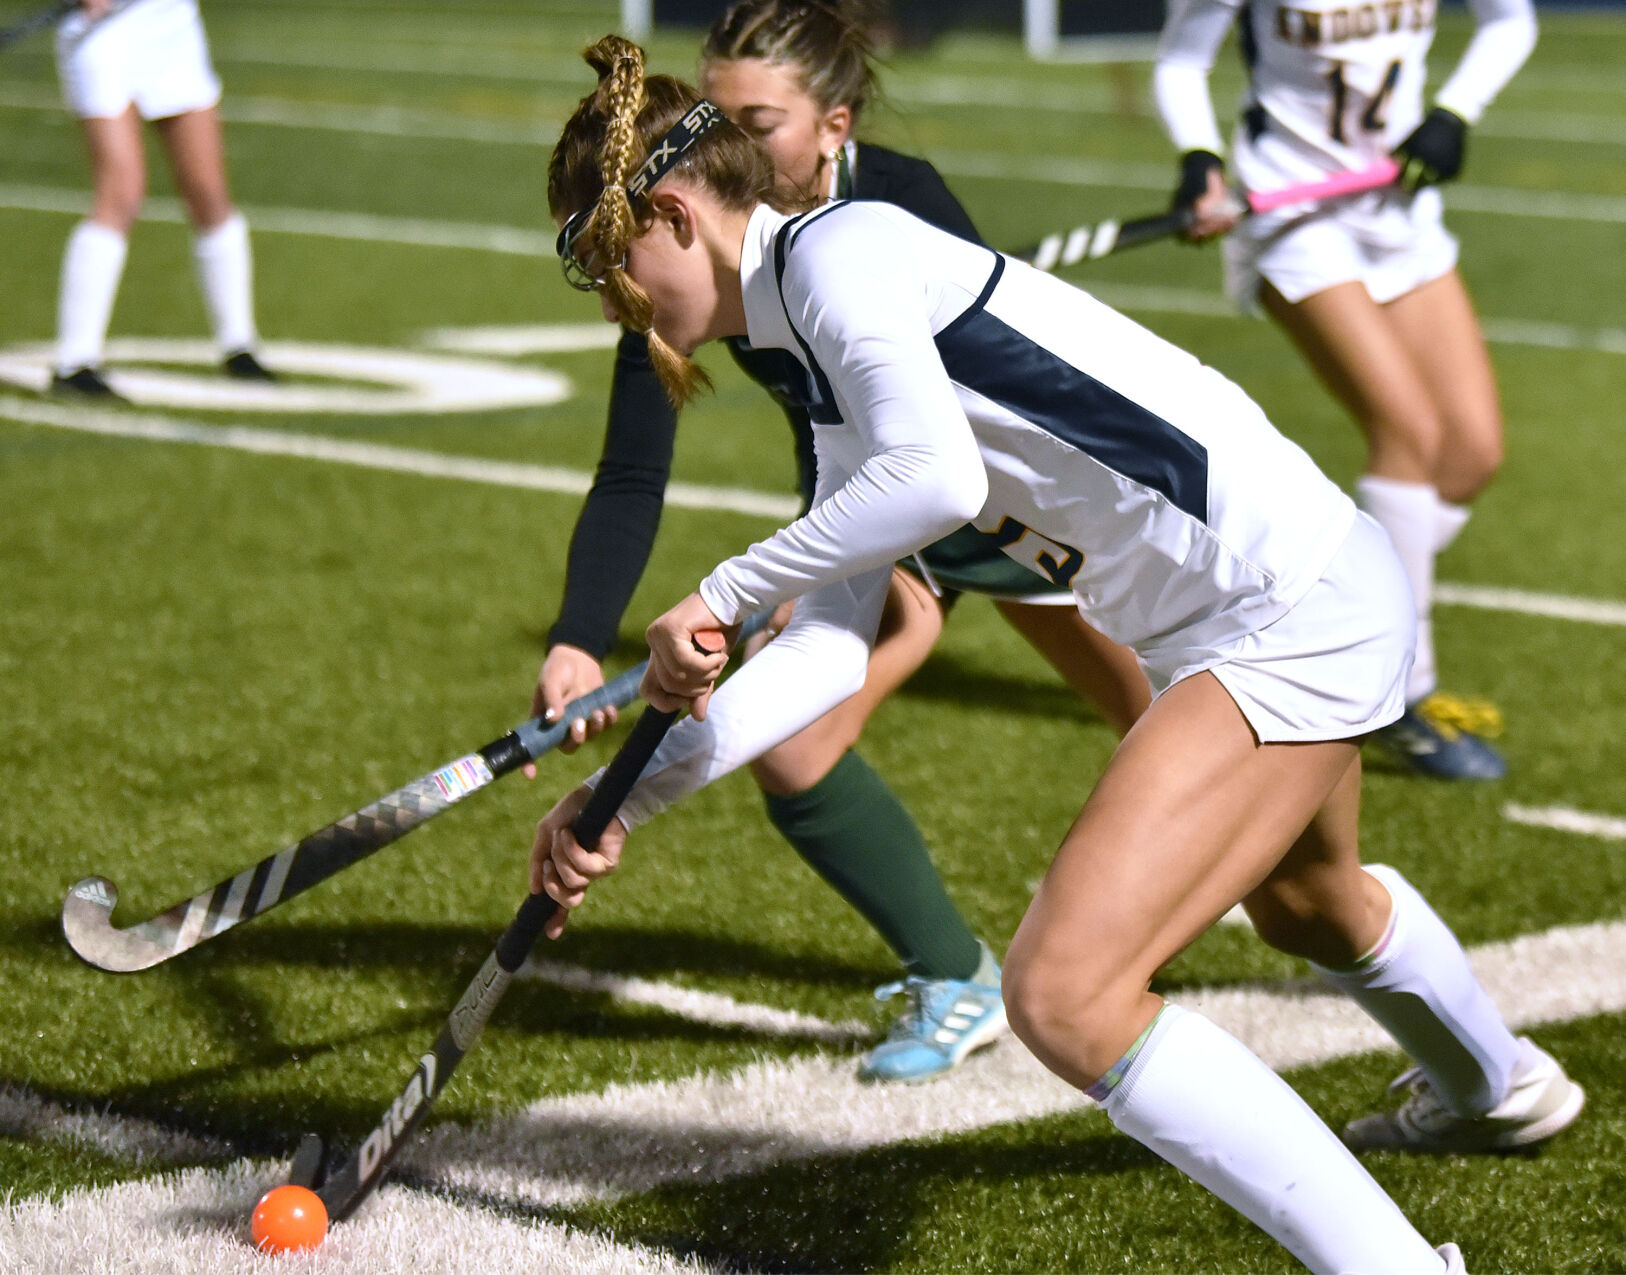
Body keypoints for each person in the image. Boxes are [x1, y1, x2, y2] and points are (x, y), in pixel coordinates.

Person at [531, 38, 1584, 1273]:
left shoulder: (842, 252)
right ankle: (1499, 1085)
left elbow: (939, 476)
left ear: (669, 213)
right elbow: (825, 645)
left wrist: (721, 585)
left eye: (607, 265)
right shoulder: (813, 351)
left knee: (1067, 996)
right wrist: (628, 796)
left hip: (1283, 609)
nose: (618, 306)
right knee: (1310, 905)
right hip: (1267, 604)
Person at [533, 0, 1149, 1085]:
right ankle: (953, 974)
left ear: (834, 125)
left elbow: (955, 446)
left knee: (1156, 722)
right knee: (797, 738)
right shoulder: (689, 253)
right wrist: (582, 637)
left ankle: (1297, 883)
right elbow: (636, 465)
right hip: (872, 494)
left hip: (987, 490)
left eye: (755, 122)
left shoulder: (885, 211)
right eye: (708, 119)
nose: (723, 147)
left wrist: (765, 583)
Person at [1152, 0, 1538, 781]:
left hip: (1397, 205)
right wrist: (1199, 159)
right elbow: (1181, 61)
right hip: (1293, 214)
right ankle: (1396, 691)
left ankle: (1324, 616)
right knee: (1410, 434)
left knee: (1469, 453)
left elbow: (1511, 20)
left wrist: (1453, 113)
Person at [50, 0, 273, 398]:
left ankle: (239, 345)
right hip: (104, 32)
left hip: (171, 25)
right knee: (121, 191)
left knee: (208, 193)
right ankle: (75, 362)